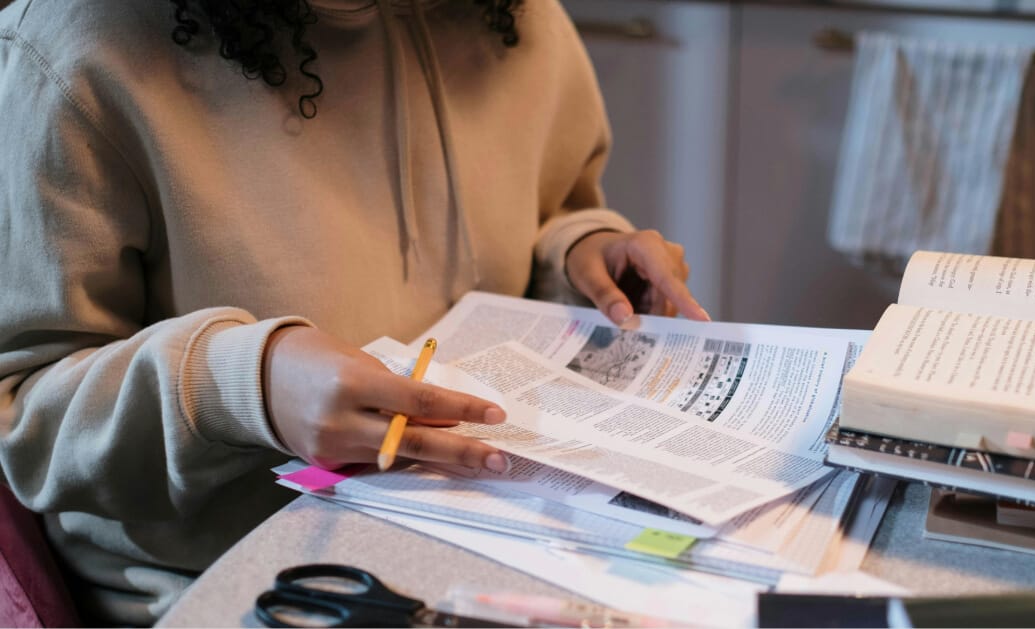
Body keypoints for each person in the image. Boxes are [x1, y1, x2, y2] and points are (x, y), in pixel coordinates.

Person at [0, 0, 708, 624]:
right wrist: (243, 387)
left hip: (493, 527)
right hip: (236, 579)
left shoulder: (518, 17)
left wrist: (580, 253)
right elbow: (25, 416)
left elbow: (549, 210)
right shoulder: (73, 49)